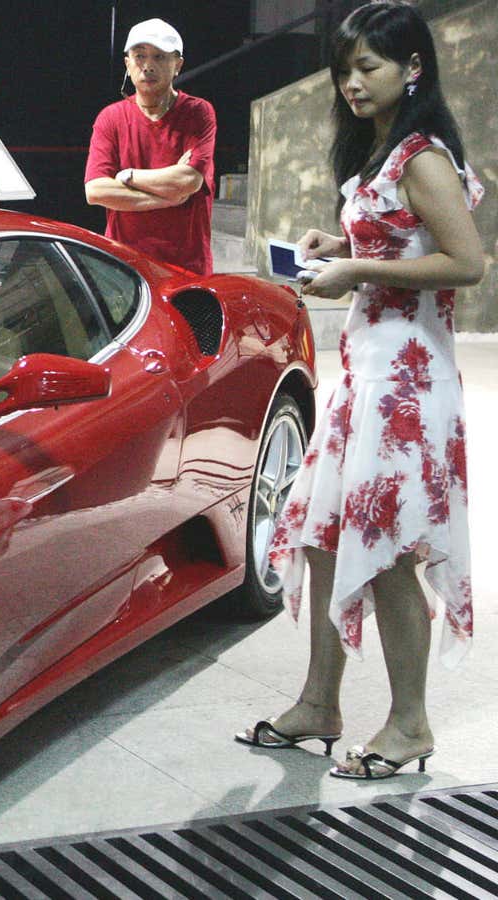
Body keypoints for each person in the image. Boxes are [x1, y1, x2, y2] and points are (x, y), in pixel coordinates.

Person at [237, 1, 485, 780]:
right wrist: (336, 246)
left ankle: (410, 725)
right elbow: (398, 236)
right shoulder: (382, 150)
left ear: (413, 67)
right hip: (370, 372)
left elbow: (468, 262)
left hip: (408, 379)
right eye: (344, 70)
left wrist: (358, 269)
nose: (351, 83)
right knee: (320, 533)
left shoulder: (421, 155)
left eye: (367, 67)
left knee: (389, 551)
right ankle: (320, 703)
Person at [83, 18, 217, 274]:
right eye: (139, 56)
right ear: (127, 64)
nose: (148, 66)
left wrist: (128, 176)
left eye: (159, 57)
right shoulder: (110, 118)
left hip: (186, 267)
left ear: (177, 65)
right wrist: (169, 198)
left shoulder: (198, 113)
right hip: (123, 268)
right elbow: (96, 191)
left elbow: (188, 181)